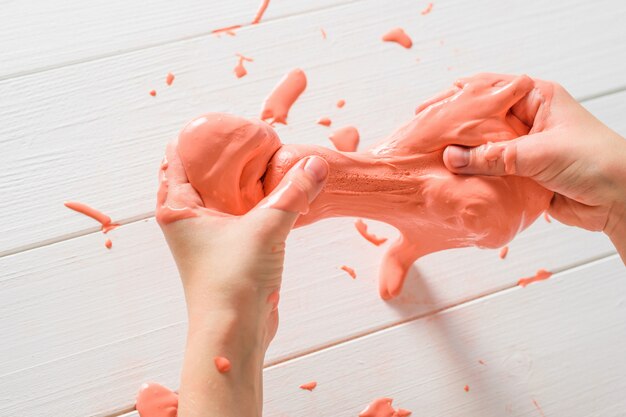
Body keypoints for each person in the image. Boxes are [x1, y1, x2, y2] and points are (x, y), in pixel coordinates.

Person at [157, 79, 626, 417]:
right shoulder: (313, 171)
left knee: (438, 224)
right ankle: (407, 248)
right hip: (420, 192)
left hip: (461, 205)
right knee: (429, 216)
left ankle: (407, 251)